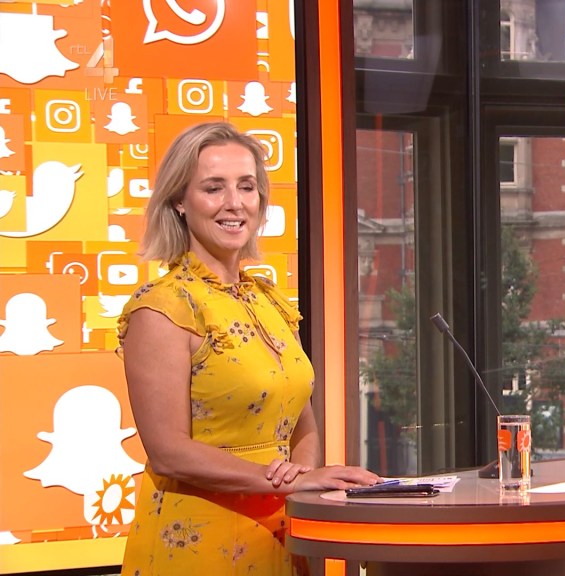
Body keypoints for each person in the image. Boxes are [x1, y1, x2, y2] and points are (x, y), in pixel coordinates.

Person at [117, 122, 381, 575]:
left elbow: (303, 421)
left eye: (246, 186)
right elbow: (168, 451)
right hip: (199, 543)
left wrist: (301, 480)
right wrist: (283, 481)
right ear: (179, 201)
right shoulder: (161, 308)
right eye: (213, 188)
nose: (234, 203)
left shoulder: (270, 302)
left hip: (282, 532)